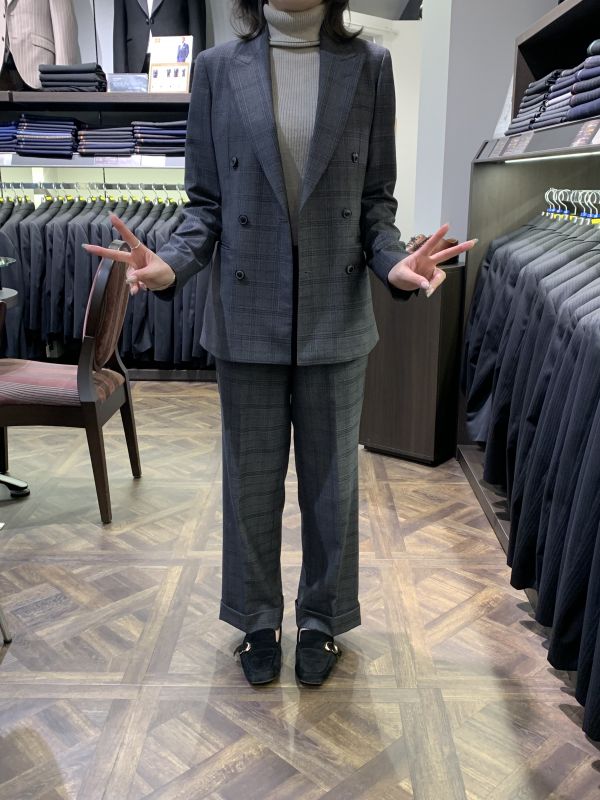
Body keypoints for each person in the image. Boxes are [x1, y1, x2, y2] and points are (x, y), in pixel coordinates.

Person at [84, 0, 475, 687]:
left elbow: (375, 204)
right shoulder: (216, 68)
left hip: (335, 313)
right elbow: (205, 205)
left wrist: (395, 265)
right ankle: (257, 618)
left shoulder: (369, 66)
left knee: (332, 487)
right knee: (250, 482)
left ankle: (322, 619)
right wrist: (170, 264)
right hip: (246, 315)